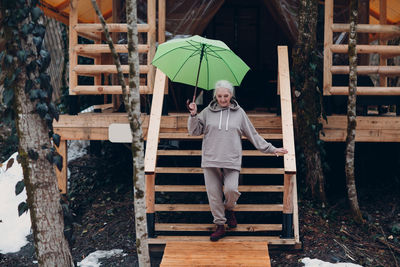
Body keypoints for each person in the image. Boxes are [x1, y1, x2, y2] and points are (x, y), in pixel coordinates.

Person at [187, 80, 288, 241]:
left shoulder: (239, 113)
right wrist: (193, 114)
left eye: (226, 96)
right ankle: (220, 225)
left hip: (231, 159)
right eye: (219, 96)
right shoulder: (207, 112)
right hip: (211, 159)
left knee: (231, 190)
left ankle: (229, 209)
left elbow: (252, 134)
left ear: (231, 95)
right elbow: (194, 131)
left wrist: (272, 149)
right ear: (215, 96)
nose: (222, 99)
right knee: (214, 195)